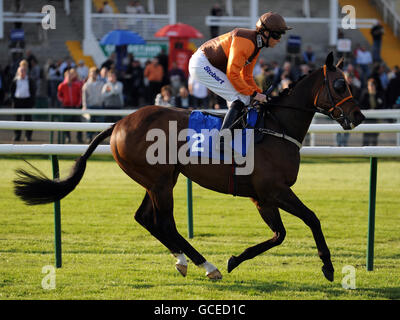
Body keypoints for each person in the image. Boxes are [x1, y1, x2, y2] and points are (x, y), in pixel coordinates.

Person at [189, 12, 292, 139]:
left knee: (245, 99)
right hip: (201, 64)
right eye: (277, 35)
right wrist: (255, 94)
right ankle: (223, 139)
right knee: (239, 99)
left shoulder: (256, 45)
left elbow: (246, 76)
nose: (279, 39)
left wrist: (260, 94)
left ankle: (233, 135)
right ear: (265, 33)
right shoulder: (247, 43)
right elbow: (233, 74)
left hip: (211, 65)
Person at [57, 69, 83, 143]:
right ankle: (67, 137)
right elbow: (59, 95)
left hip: (75, 107)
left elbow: (80, 95)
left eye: (70, 75)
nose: (69, 77)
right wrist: (63, 101)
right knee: (66, 123)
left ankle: (79, 138)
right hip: (66, 107)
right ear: (65, 76)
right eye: (68, 76)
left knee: (79, 123)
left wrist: (78, 104)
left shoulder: (76, 85)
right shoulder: (62, 85)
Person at [10, 66, 36, 141]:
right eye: (21, 71)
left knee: (28, 119)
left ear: (26, 72)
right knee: (17, 120)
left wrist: (31, 101)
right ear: (18, 72)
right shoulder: (15, 81)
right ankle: (17, 135)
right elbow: (12, 91)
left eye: (23, 71)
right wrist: (13, 101)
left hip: (27, 102)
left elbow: (33, 91)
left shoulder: (29, 80)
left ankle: (28, 136)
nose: (22, 72)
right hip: (17, 102)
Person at [360, 78, 385, 146]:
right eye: (370, 85)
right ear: (368, 86)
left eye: (372, 85)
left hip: (376, 120)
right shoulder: (365, 94)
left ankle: (374, 155)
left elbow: (382, 105)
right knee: (366, 138)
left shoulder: (380, 94)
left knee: (374, 138)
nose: (371, 87)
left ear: (375, 86)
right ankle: (365, 154)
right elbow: (361, 105)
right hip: (367, 119)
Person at [82, 67, 104, 142]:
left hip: (99, 106)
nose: (93, 75)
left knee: (101, 123)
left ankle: (100, 139)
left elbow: (103, 95)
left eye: (94, 74)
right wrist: (84, 106)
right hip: (90, 107)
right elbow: (84, 97)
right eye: (92, 74)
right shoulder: (86, 85)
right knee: (89, 123)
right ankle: (89, 137)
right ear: (89, 75)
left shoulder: (101, 84)